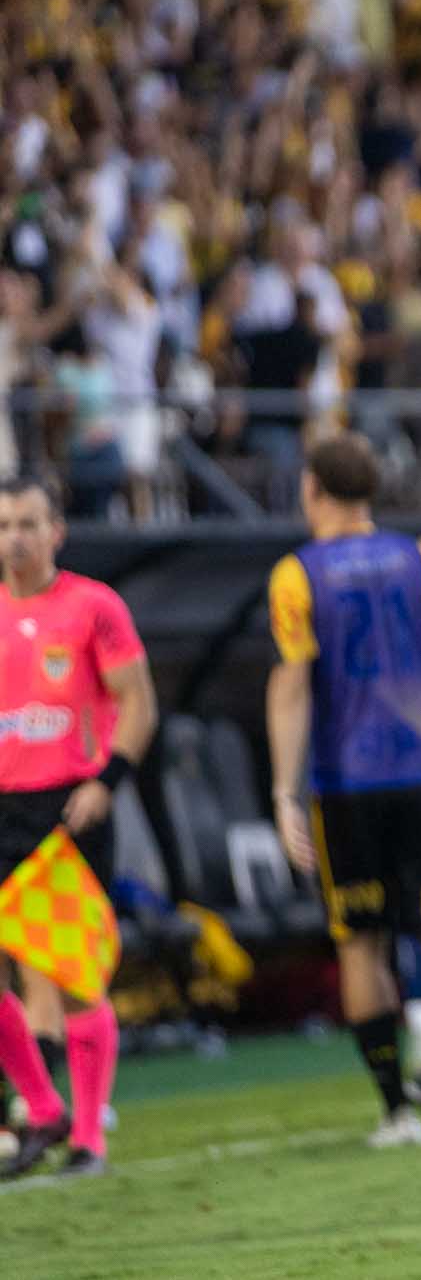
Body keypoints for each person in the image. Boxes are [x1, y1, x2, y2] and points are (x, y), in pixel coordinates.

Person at [265, 432, 421, 1148]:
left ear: (311, 488)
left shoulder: (296, 575)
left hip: (347, 783)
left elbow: (293, 684)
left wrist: (283, 792)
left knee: (361, 945)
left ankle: (397, 1112)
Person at [0, 477, 157, 1178]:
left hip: (68, 808)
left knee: (72, 975)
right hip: (3, 805)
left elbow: (138, 702)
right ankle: (42, 1108)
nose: (15, 538)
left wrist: (106, 783)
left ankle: (88, 1136)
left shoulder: (94, 606)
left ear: (56, 532)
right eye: (4, 525)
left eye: (28, 524)